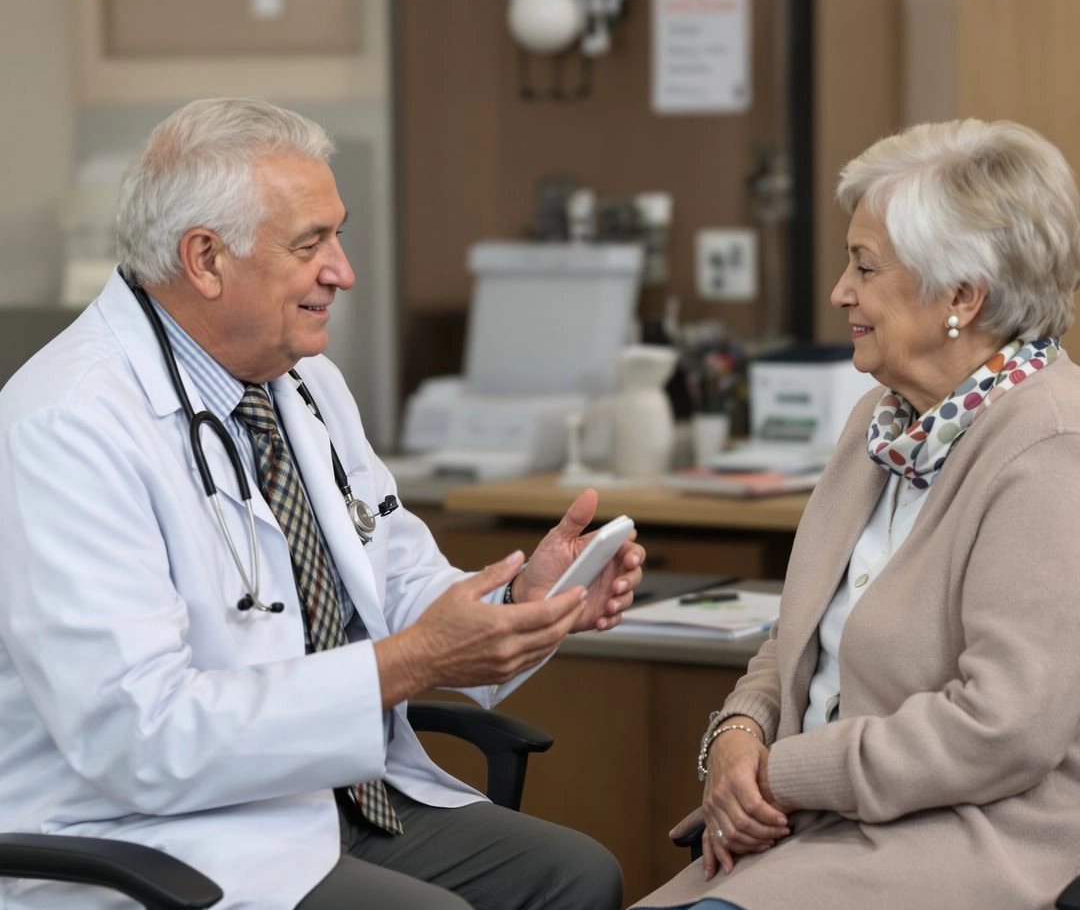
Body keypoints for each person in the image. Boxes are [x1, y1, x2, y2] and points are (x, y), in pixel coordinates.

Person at [0, 97, 645, 910]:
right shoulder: (68, 425)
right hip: (160, 836)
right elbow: (138, 737)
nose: (342, 270)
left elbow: (396, 580)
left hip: (328, 795)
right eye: (311, 244)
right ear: (206, 259)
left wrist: (520, 603)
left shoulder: (304, 384)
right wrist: (413, 663)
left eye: (337, 237)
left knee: (576, 877)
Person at [635, 118, 1080, 910]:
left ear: (962, 295)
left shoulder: (1050, 446)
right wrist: (738, 733)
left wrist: (784, 771)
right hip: (810, 829)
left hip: (959, 839)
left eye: (865, 267)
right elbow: (798, 634)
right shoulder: (881, 421)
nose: (841, 292)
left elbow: (1001, 729)